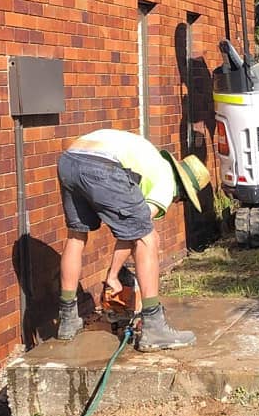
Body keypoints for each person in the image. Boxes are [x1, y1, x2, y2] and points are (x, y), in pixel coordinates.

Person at [56, 128, 211, 350]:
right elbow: (136, 235)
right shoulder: (166, 183)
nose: (174, 202)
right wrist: (112, 275)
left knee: (76, 236)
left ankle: (68, 319)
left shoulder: (150, 163)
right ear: (183, 189)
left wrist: (113, 273)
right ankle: (153, 326)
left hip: (69, 159)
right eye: (180, 199)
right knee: (149, 238)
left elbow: (128, 231)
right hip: (103, 165)